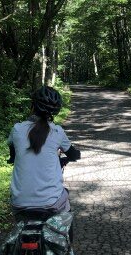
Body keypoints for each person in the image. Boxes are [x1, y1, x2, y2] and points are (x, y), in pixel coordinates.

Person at [7, 85, 80, 217]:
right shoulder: (57, 131)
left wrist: (13, 158)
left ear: (32, 106)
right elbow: (73, 154)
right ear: (55, 111)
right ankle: (66, 236)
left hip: (19, 203)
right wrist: (74, 156)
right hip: (51, 203)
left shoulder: (17, 129)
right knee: (66, 210)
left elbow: (13, 154)